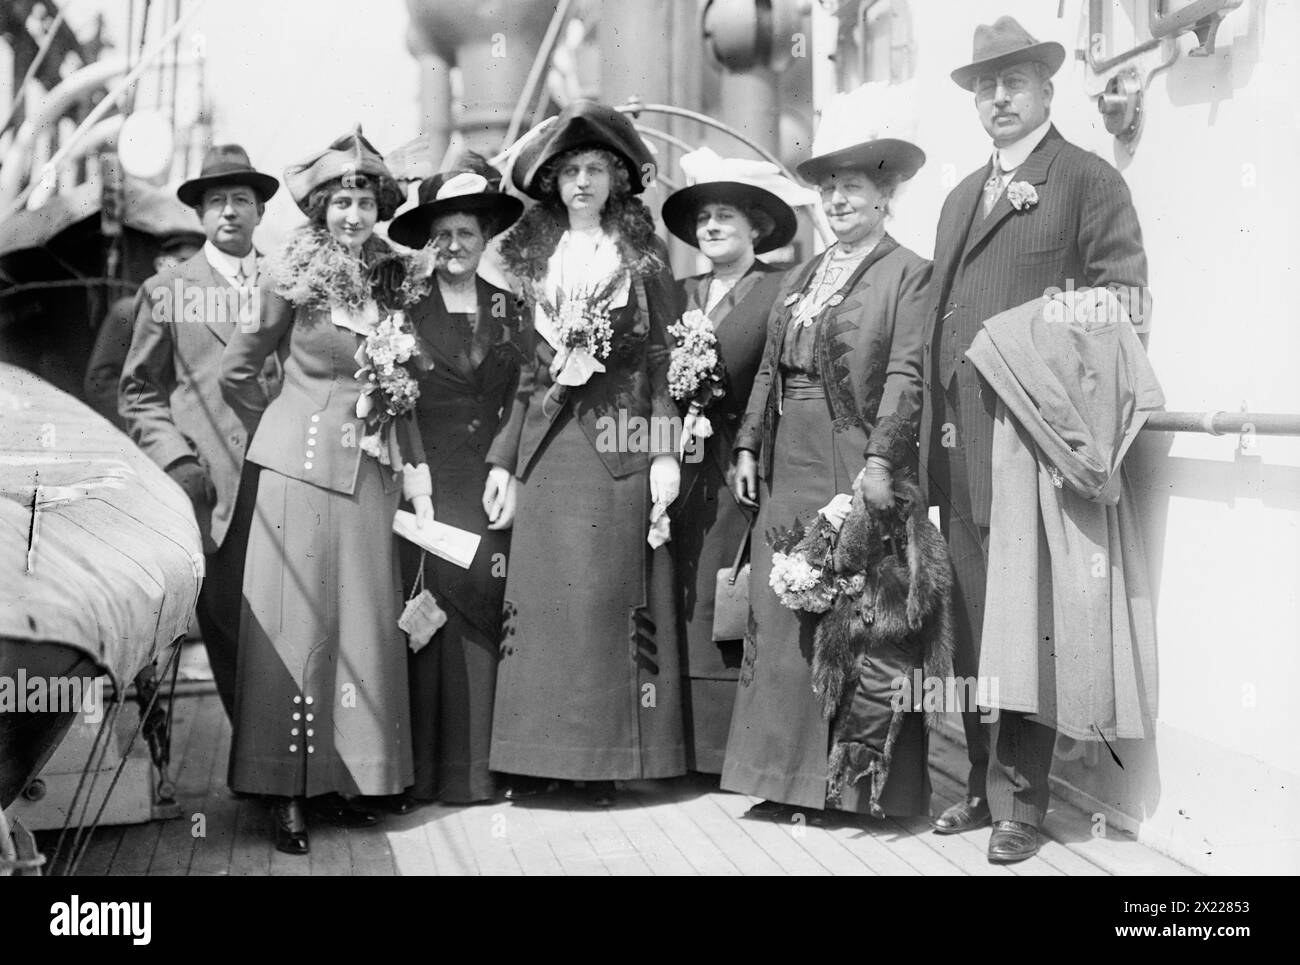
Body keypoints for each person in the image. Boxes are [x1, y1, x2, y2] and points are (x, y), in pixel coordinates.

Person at [919, 17, 1149, 863]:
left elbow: (1121, 305)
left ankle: (1023, 802)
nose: (998, 97)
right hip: (955, 445)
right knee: (976, 619)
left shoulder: (1085, 181)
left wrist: (1026, 354)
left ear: (1048, 89)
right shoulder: (956, 198)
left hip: (1028, 445)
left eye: (1013, 81)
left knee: (1030, 618)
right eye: (985, 85)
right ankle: (981, 787)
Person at [219, 126, 435, 855]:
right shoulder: (292, 274)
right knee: (297, 628)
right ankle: (285, 792)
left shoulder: (390, 278)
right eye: (341, 200)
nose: (352, 213)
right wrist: (284, 427)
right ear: (318, 206)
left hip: (369, 472)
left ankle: (361, 779)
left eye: (364, 199)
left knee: (365, 625)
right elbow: (238, 370)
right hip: (298, 473)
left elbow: (401, 380)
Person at [725, 86, 932, 818]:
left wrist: (880, 461)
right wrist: (749, 442)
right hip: (789, 455)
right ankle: (777, 777)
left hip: (852, 458)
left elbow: (907, 371)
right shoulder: (803, 275)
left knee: (849, 608)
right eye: (829, 190)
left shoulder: (909, 272)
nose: (838, 201)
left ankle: (845, 790)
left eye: (854, 187)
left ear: (885, 196)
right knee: (780, 610)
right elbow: (771, 367)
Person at [488, 101, 685, 806]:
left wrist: (665, 450)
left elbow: (662, 356)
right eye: (570, 170)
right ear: (551, 183)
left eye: (595, 168)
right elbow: (523, 372)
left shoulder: (641, 258)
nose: (581, 182)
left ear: (617, 180)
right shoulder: (534, 263)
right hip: (548, 449)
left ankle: (600, 762)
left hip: (619, 446)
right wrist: (504, 462)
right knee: (545, 607)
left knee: (603, 604)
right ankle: (536, 756)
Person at [119, 145, 281, 718]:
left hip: (290, 482)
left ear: (260, 211)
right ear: (201, 214)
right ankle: (260, 778)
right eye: (217, 201)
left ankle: (306, 775)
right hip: (211, 493)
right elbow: (138, 391)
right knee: (232, 630)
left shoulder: (290, 280)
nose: (230, 211)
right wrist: (176, 462)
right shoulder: (167, 291)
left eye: (242, 199)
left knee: (297, 625)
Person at [385, 156, 525, 806]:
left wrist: (507, 463)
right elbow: (395, 400)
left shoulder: (511, 309)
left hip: (489, 483)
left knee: (481, 612)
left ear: (484, 237)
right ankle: (427, 772)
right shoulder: (405, 310)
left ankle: (480, 772)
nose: (454, 246)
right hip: (428, 484)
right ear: (428, 242)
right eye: (442, 235)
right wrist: (416, 480)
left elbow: (525, 394)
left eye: (466, 233)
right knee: (429, 615)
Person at [659, 151, 805, 772]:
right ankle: (684, 746)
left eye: (726, 217)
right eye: (704, 218)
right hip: (679, 462)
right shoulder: (680, 292)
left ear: (756, 230)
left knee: (732, 585)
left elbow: (778, 374)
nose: (712, 227)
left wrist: (750, 444)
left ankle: (728, 748)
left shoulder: (779, 288)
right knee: (685, 587)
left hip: (741, 458)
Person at [85, 231, 203, 429]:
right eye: (183, 261)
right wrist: (150, 426)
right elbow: (100, 384)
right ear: (161, 265)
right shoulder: (130, 312)